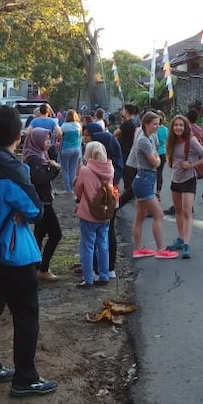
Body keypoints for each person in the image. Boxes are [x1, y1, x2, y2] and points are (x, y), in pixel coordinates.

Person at [0, 105, 58, 398]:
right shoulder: (12, 168)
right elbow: (34, 209)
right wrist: (22, 211)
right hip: (14, 251)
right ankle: (25, 377)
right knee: (25, 313)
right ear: (18, 137)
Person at [129, 110, 178, 260]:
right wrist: (156, 157)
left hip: (146, 179)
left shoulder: (151, 137)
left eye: (158, 124)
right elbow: (156, 162)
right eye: (154, 124)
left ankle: (138, 248)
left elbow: (157, 158)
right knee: (158, 214)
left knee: (140, 217)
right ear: (146, 124)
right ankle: (161, 248)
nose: (157, 126)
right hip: (144, 179)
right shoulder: (143, 140)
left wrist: (156, 157)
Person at [164, 114, 203, 258]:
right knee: (177, 210)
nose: (178, 127)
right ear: (172, 127)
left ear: (185, 127)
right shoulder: (172, 141)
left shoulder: (191, 141)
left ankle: (186, 243)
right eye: (176, 125)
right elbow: (169, 155)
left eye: (181, 125)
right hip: (175, 179)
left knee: (186, 211)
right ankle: (180, 238)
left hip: (188, 180)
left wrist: (191, 165)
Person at [83, 123, 124, 278]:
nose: (86, 139)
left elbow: (80, 186)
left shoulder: (93, 166)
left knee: (93, 236)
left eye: (88, 136)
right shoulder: (113, 166)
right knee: (108, 232)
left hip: (94, 204)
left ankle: (94, 268)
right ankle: (108, 268)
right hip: (112, 199)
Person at [22, 127, 62, 282]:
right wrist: (55, 168)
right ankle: (42, 268)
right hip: (42, 202)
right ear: (36, 140)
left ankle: (35, 267)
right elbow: (41, 180)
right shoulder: (33, 158)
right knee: (55, 234)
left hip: (43, 199)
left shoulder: (42, 155)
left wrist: (53, 167)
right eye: (45, 139)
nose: (48, 142)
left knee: (39, 234)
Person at [75, 140, 115, 287]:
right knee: (103, 243)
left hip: (88, 214)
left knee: (87, 246)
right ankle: (104, 275)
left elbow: (78, 190)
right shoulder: (110, 169)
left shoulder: (85, 170)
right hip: (105, 214)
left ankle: (89, 278)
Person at [115, 104, 139, 209]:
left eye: (123, 110)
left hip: (124, 149)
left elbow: (116, 133)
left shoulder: (127, 124)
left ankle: (128, 191)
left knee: (124, 170)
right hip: (129, 147)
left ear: (127, 111)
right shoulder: (134, 122)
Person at [58, 109, 83, 193]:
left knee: (65, 169)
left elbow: (59, 136)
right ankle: (73, 188)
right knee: (73, 169)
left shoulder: (64, 126)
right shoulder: (78, 126)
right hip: (76, 150)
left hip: (66, 149)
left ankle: (67, 189)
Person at [156, 111, 169, 201]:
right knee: (159, 173)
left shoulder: (153, 129)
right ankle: (158, 192)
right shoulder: (165, 129)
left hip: (153, 153)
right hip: (162, 153)